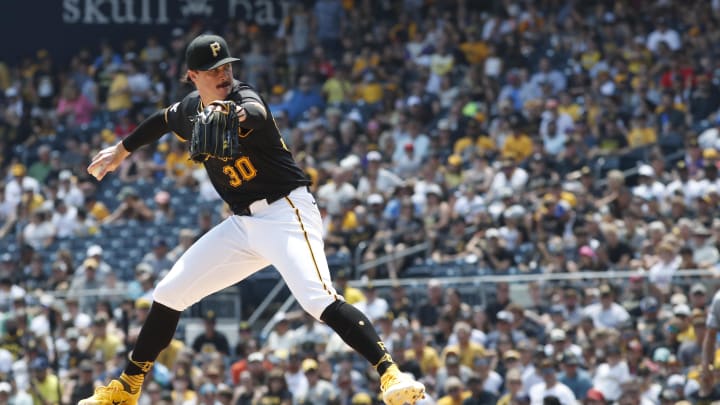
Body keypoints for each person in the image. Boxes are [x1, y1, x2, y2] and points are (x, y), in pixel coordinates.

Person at [79, 33, 424, 405]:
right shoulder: (190, 110)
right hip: (243, 225)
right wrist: (121, 150)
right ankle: (128, 387)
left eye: (226, 66)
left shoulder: (243, 97)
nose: (224, 73)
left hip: (286, 212)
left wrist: (232, 112)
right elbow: (161, 120)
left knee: (316, 298)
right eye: (214, 70)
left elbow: (256, 112)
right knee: (168, 293)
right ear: (193, 75)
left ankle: (390, 373)